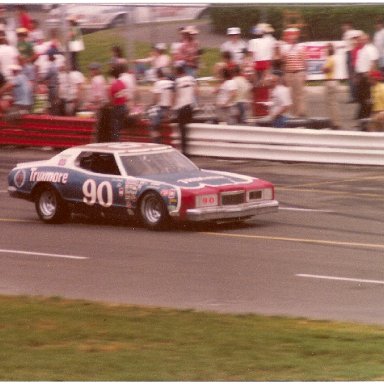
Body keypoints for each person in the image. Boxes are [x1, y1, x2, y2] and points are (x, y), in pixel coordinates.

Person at [280, 27, 307, 117]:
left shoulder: (300, 48)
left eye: (294, 38)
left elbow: (304, 61)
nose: (293, 40)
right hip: (289, 73)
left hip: (299, 72)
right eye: (291, 38)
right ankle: (293, 113)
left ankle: (300, 112)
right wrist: (284, 74)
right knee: (291, 94)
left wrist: (305, 73)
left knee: (299, 93)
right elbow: (283, 62)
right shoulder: (285, 48)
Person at [173, 65, 197, 155]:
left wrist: (173, 107)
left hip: (181, 107)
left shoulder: (178, 81)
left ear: (177, 72)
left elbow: (176, 95)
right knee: (189, 128)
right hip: (190, 106)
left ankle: (184, 152)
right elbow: (196, 92)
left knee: (182, 131)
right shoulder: (191, 78)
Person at [354, 32, 379, 120]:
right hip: (361, 75)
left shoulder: (370, 49)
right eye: (359, 40)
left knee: (367, 97)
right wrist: (357, 76)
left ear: (367, 40)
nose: (359, 41)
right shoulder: (361, 50)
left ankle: (366, 115)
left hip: (366, 75)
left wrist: (370, 75)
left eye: (362, 39)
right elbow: (359, 64)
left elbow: (373, 62)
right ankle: (362, 115)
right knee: (360, 96)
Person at [148, 68, 174, 143]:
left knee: (153, 128)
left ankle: (157, 143)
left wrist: (150, 106)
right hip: (168, 108)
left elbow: (156, 99)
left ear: (157, 75)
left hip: (160, 109)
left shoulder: (158, 83)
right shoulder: (171, 83)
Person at [322, 43, 341, 129]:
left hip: (330, 81)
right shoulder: (331, 58)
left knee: (332, 103)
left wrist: (323, 68)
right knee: (332, 103)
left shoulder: (330, 59)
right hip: (332, 81)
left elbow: (326, 69)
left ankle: (335, 122)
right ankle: (334, 121)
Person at [108, 65, 128, 142]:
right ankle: (119, 140)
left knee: (115, 128)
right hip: (123, 106)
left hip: (117, 108)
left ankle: (115, 142)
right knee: (119, 127)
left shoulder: (113, 85)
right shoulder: (123, 83)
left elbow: (111, 100)